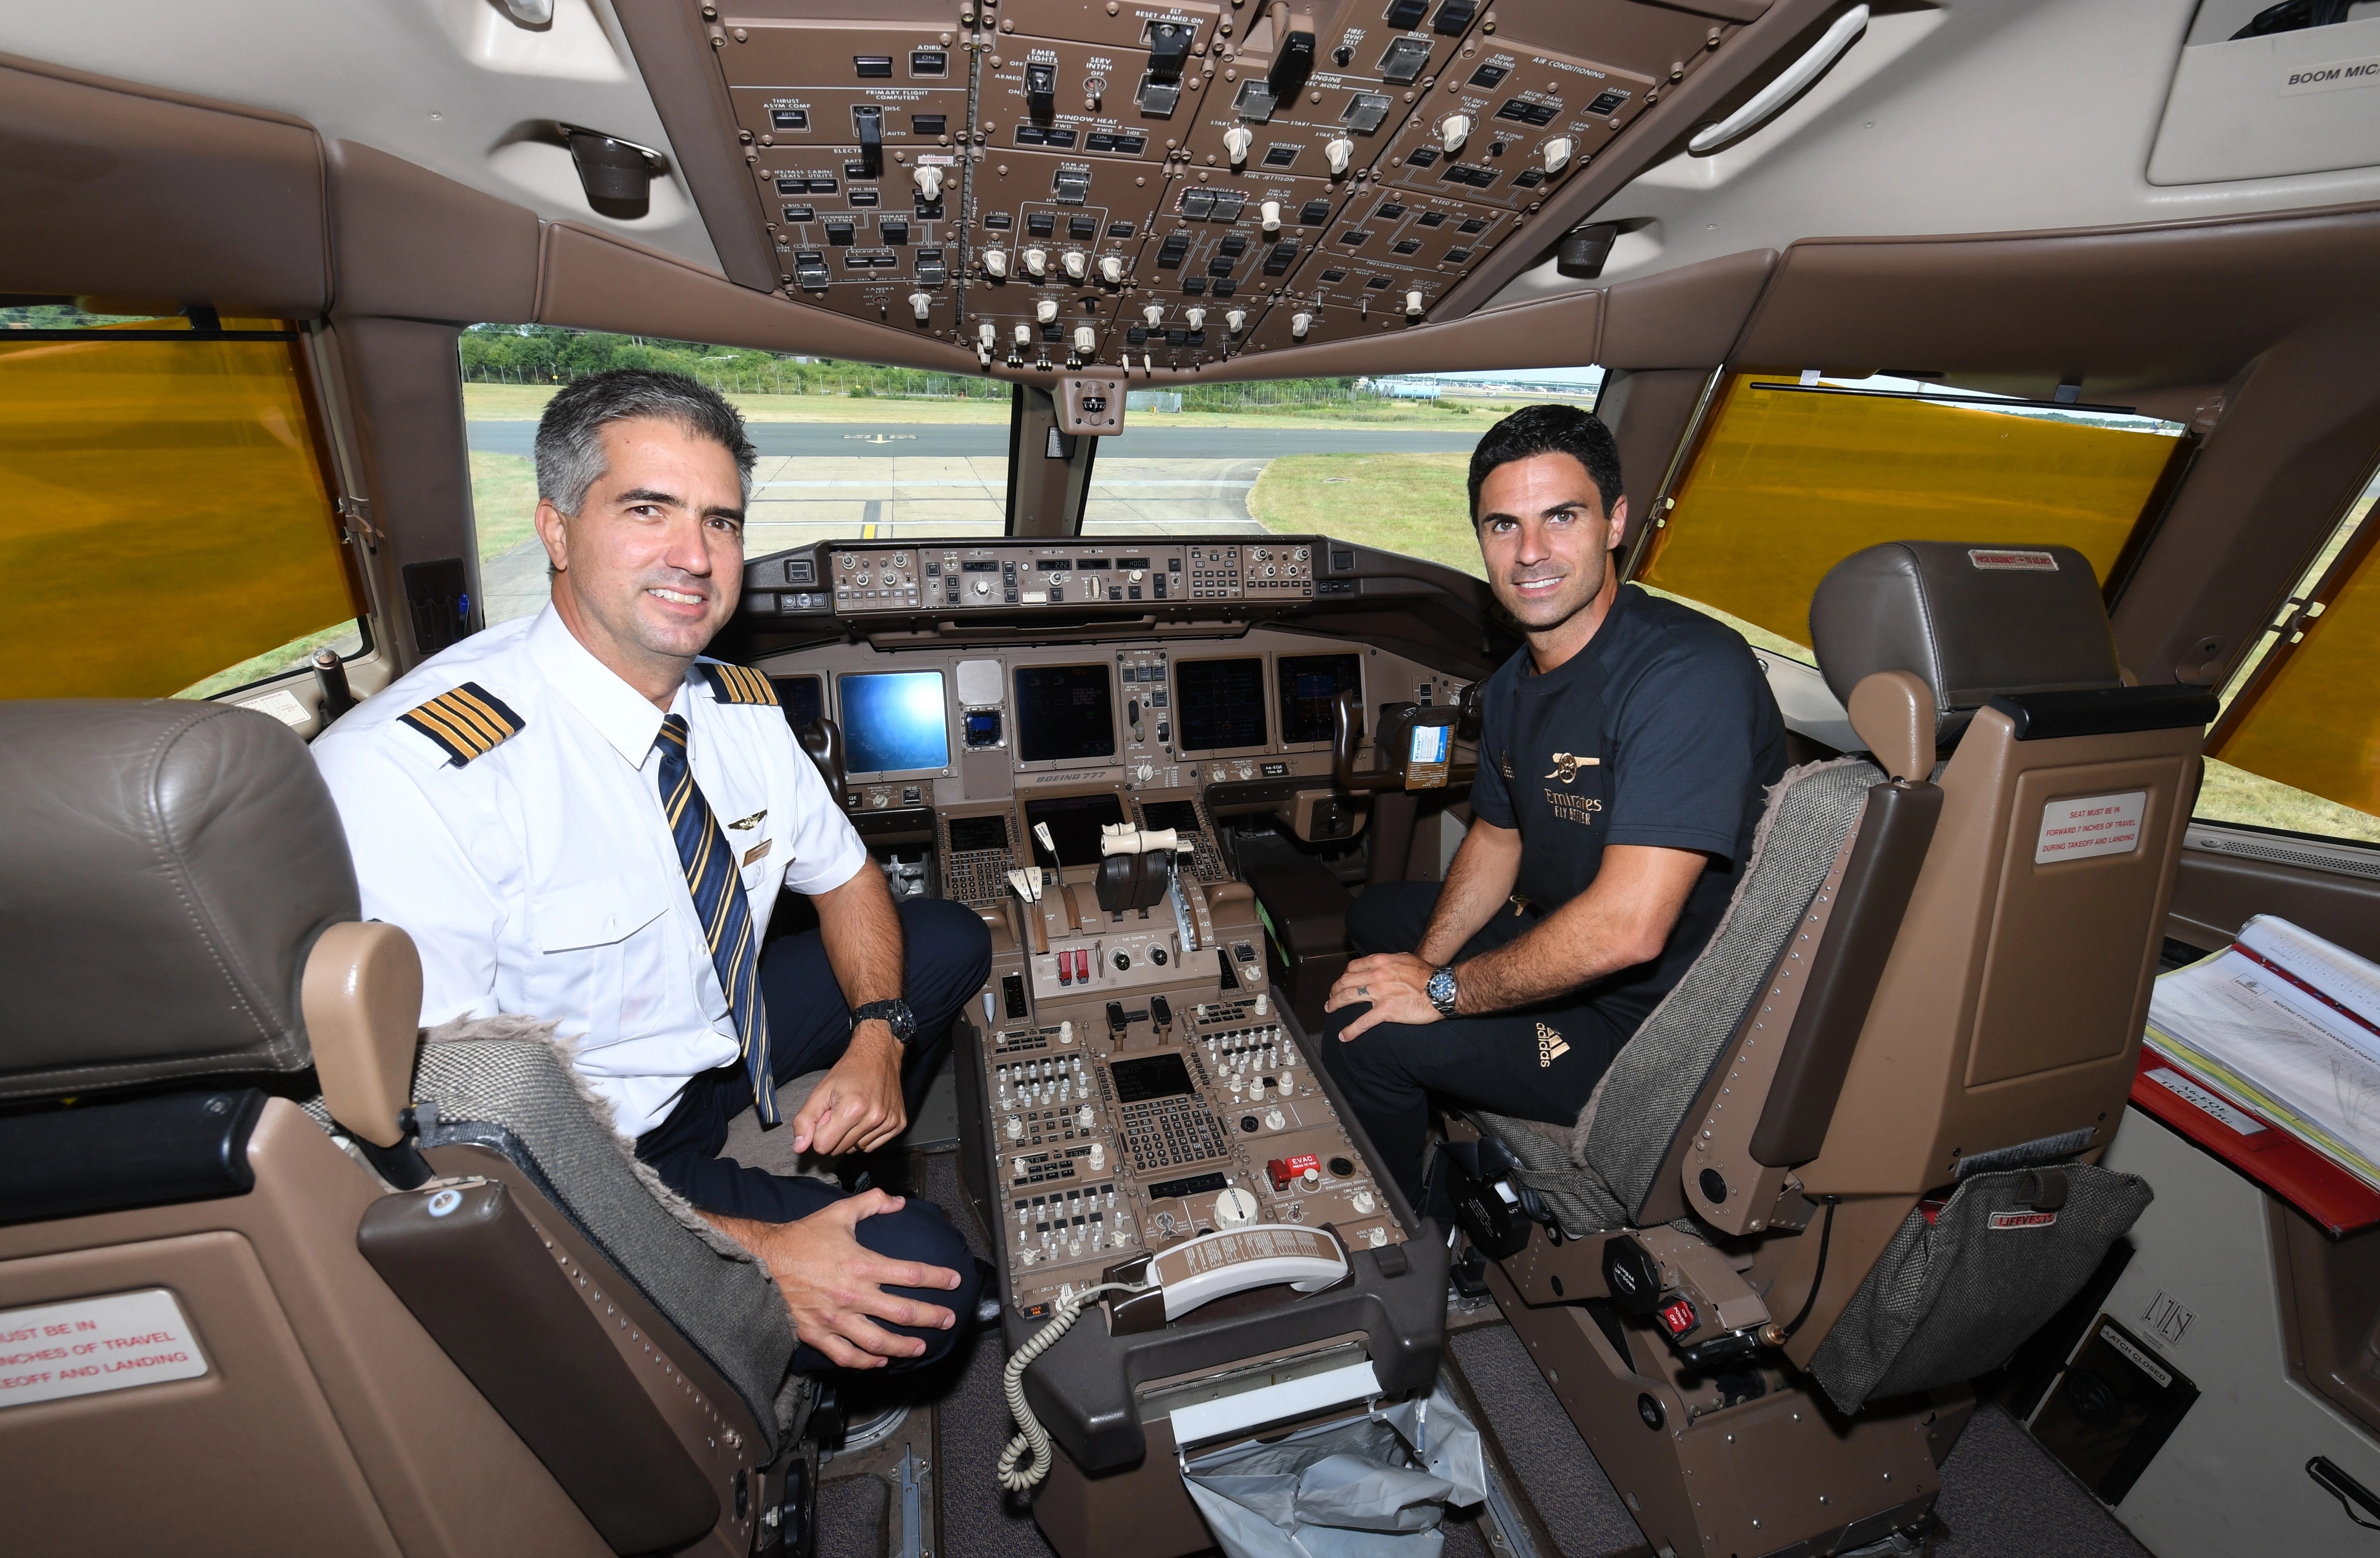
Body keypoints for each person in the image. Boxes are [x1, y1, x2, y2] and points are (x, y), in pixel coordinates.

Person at [313, 368, 991, 1375]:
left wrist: (878, 1043)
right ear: (555, 528)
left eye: (720, 522)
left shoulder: (741, 711)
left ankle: (832, 1157)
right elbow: (446, 1146)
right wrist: (763, 1255)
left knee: (949, 939)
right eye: (648, 510)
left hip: (712, 1056)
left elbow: (848, 880)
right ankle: (797, 1338)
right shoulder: (415, 773)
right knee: (933, 1294)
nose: (694, 556)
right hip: (590, 1152)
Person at [1319, 404, 1787, 1205]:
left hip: (1649, 1023)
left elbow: (1629, 930)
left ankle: (1401, 1242)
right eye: (1503, 525)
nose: (1530, 553)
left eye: (1560, 517)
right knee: (1377, 922)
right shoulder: (1511, 687)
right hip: (1568, 942)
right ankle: (1428, 1120)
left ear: (1615, 523)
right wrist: (1430, 963)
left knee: (1367, 1035)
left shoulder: (1685, 673)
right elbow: (1497, 840)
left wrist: (1437, 995)